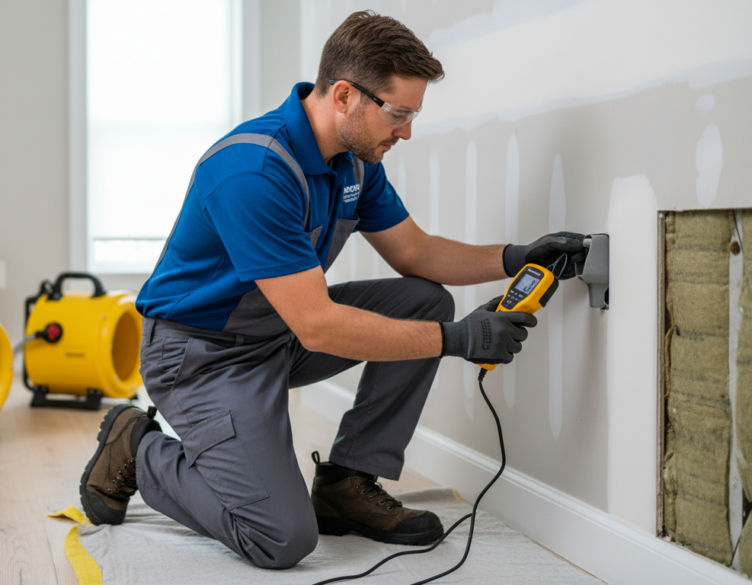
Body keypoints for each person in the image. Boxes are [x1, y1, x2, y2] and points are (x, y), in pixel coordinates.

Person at [79, 10, 585, 570]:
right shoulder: (254, 171)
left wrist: (515, 258)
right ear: (344, 95)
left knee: (425, 300)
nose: (407, 132)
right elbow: (317, 324)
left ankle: (346, 483)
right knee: (280, 539)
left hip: (278, 332)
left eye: (413, 115)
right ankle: (137, 447)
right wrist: (457, 340)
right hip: (203, 355)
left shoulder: (354, 163)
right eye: (399, 113)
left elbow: (413, 252)